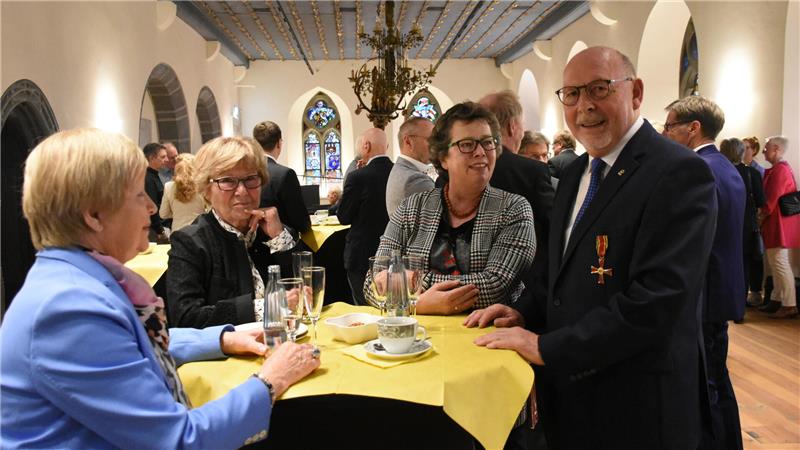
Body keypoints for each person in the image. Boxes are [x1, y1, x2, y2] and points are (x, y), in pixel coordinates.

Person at [0, 128, 319, 449]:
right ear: (94, 215)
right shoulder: (68, 310)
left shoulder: (77, 283)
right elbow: (178, 440)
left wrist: (222, 338)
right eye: (138, 194)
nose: (152, 208)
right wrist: (269, 382)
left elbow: (129, 343)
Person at [467, 46, 717, 449]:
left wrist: (544, 346)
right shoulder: (576, 174)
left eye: (599, 89)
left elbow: (657, 301)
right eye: (572, 94)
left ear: (635, 93)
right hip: (572, 395)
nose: (584, 106)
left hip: (636, 404)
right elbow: (559, 271)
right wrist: (523, 311)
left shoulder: (678, 172)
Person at [365, 101, 535, 315]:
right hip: (416, 340)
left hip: (486, 338)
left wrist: (413, 280)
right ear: (443, 157)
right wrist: (420, 304)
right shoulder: (412, 207)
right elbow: (372, 282)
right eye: (467, 144)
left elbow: (494, 286)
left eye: (487, 142)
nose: (481, 152)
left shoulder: (513, 209)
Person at [662, 95, 746, 450]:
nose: (664, 134)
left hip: (704, 293)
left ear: (693, 128)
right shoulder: (726, 165)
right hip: (723, 288)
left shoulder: (696, 169)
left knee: (705, 386)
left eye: (669, 127)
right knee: (718, 379)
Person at [167, 137, 298, 328]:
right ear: (206, 189)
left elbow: (309, 290)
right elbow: (185, 317)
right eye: (228, 181)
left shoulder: (271, 231)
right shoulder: (191, 242)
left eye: (251, 179)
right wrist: (266, 307)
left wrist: (279, 236)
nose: (242, 191)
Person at [337, 128, 393, 306]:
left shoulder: (357, 177)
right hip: (393, 255)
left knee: (364, 308)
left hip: (362, 255)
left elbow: (344, 216)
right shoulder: (398, 173)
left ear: (366, 146)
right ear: (387, 146)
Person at [720, 138, 766, 310]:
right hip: (746, 225)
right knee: (743, 266)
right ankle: (739, 308)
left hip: (722, 223)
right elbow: (761, 201)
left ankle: (722, 304)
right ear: (741, 153)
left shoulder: (717, 170)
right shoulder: (751, 174)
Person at [760, 136, 800, 318]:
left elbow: (771, 199)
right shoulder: (780, 169)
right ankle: (777, 299)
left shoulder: (780, 171)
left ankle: (789, 304)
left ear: (776, 148)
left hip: (779, 224)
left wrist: (760, 216)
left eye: (766, 148)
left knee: (779, 262)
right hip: (778, 222)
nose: (764, 151)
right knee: (776, 263)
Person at [253, 121, 311, 234]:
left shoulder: (245, 173)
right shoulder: (285, 174)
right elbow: (302, 223)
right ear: (279, 143)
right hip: (279, 243)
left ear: (255, 144)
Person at [385, 117, 435, 216]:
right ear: (408, 142)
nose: (435, 145)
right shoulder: (415, 180)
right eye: (431, 139)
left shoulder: (400, 168)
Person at [159, 153, 205, 232]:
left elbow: (163, 214)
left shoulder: (169, 186)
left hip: (177, 232)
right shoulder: (202, 185)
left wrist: (177, 214)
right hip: (199, 231)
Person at [143, 142, 168, 242]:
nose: (166, 160)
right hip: (152, 230)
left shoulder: (154, 175)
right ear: (152, 158)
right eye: (162, 157)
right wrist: (160, 231)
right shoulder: (147, 178)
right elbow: (152, 206)